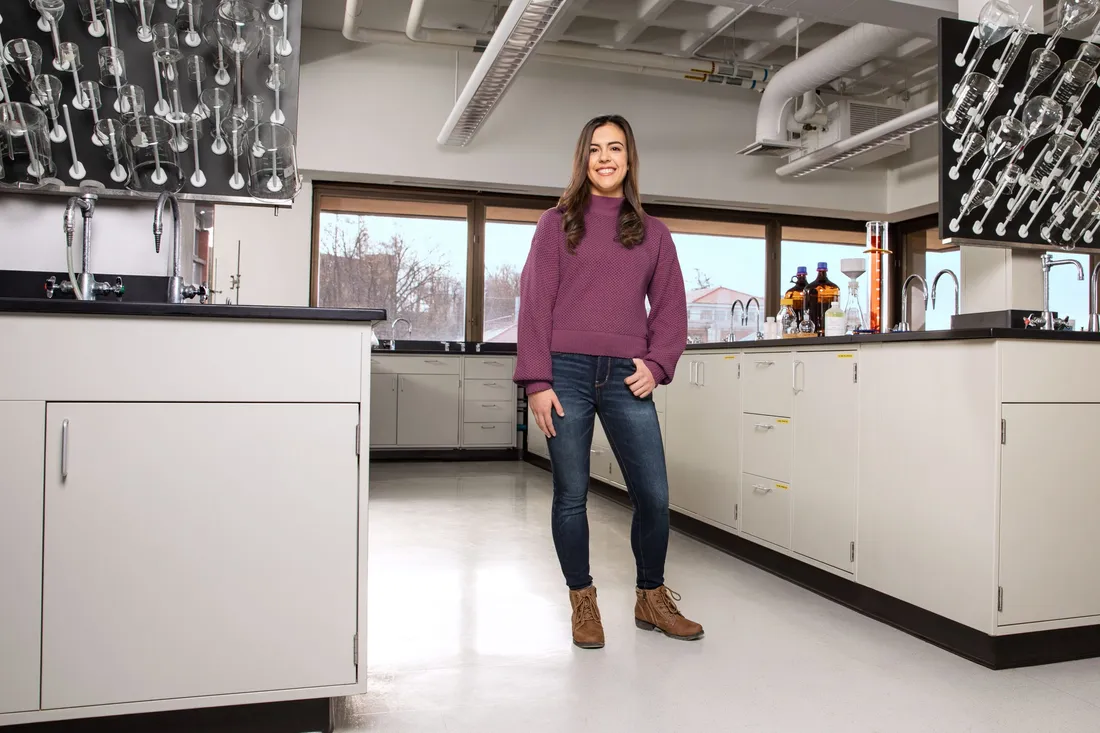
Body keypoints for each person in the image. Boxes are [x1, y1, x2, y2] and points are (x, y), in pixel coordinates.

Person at [513, 114, 703, 649]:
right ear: (583, 158)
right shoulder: (556, 224)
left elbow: (671, 309)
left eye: (615, 148)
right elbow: (535, 304)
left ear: (628, 158)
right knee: (571, 494)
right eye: (595, 148)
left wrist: (658, 363)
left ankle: (650, 596)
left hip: (626, 376)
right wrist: (536, 380)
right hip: (565, 373)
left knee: (655, 496)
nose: (604, 157)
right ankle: (582, 599)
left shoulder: (653, 233)